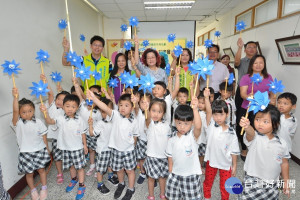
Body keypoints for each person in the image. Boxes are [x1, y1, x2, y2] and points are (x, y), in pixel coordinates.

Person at [86, 92, 139, 200]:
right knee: (119, 170)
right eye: (120, 105)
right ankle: (121, 183)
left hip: (129, 151)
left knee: (130, 171)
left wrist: (132, 145)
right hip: (116, 150)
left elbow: (135, 136)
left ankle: (131, 189)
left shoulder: (134, 120)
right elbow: (105, 107)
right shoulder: (115, 115)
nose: (123, 108)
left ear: (132, 107)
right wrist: (94, 99)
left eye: (126, 105)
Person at [40, 94, 88, 200]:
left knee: (79, 168)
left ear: (77, 107)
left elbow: (83, 133)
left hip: (77, 148)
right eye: (67, 106)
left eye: (73, 106)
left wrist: (85, 145)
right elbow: (49, 121)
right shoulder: (60, 118)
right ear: (63, 106)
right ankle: (74, 179)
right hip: (65, 148)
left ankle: (81, 185)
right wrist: (45, 112)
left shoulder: (80, 119)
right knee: (71, 166)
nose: (70, 109)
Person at [239, 105, 290, 199]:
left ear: (276, 124)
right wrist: (247, 126)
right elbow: (250, 133)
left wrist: (286, 181)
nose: (260, 124)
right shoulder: (255, 137)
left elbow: (284, 163)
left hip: (273, 182)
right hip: (252, 180)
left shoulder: (282, 143)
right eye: (257, 119)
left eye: (265, 121)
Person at [12, 88, 50, 200]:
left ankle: (44, 187)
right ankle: (33, 190)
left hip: (39, 150)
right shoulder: (17, 123)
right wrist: (15, 98)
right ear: (19, 113)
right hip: (26, 152)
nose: (27, 114)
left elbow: (44, 135)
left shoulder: (38, 121)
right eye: (23, 112)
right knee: (29, 174)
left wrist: (47, 148)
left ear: (34, 110)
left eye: (30, 111)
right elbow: (14, 111)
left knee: (41, 170)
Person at [237, 54, 274, 161]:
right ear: (251, 64)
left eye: (261, 63)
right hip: (248, 107)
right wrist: (249, 97)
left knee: (261, 129)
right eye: (255, 63)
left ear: (264, 64)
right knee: (243, 129)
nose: (258, 65)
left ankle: (258, 150)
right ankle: (244, 149)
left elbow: (272, 93)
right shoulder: (246, 77)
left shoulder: (268, 77)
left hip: (263, 109)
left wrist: (273, 99)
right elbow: (243, 94)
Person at [165, 96, 203, 200]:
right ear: (175, 121)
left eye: (186, 123)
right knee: (172, 197)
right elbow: (169, 155)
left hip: (191, 175)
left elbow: (199, 127)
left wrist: (195, 109)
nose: (182, 127)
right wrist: (170, 169)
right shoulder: (172, 137)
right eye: (179, 123)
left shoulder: (192, 136)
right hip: (175, 174)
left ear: (192, 123)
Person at [203, 98, 240, 200]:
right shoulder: (210, 125)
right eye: (215, 115)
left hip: (226, 163)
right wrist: (206, 98)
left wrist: (235, 165)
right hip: (212, 161)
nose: (218, 118)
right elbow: (208, 111)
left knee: (225, 186)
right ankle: (207, 197)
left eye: (221, 114)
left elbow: (234, 150)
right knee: (208, 182)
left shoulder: (231, 132)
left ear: (227, 114)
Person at [88, 97, 119, 195]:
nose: (104, 113)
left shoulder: (115, 121)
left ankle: (110, 176)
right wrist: (90, 125)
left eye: (107, 111)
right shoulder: (100, 123)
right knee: (100, 168)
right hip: (103, 149)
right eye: (103, 111)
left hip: (112, 148)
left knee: (110, 164)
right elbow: (92, 133)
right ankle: (100, 184)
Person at [142, 98, 171, 200]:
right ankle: (151, 195)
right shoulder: (150, 124)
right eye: (153, 110)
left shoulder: (166, 125)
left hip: (163, 157)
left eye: (159, 112)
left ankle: (163, 194)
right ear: (149, 111)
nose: (156, 114)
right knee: (151, 178)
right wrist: (146, 110)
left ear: (163, 113)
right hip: (152, 156)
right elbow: (147, 120)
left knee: (162, 178)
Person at [234, 40, 257, 125]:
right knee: (241, 113)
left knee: (253, 113)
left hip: (255, 90)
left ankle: (251, 134)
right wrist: (240, 47)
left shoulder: (259, 63)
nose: (252, 49)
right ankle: (239, 136)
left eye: (254, 47)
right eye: (249, 47)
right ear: (245, 50)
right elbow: (236, 62)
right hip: (241, 91)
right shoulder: (242, 61)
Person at [133, 93, 153, 185]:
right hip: (141, 140)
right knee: (142, 159)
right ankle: (143, 173)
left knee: (151, 159)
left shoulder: (152, 114)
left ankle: (151, 175)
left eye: (147, 102)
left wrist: (147, 109)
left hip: (151, 141)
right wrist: (136, 102)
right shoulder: (138, 113)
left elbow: (148, 119)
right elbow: (136, 107)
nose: (145, 104)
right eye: (142, 102)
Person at [196, 89, 212, 174]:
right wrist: (192, 89)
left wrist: (206, 98)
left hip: (202, 139)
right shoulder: (195, 111)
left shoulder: (207, 115)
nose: (200, 105)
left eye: (203, 103)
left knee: (201, 154)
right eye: (199, 102)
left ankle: (200, 165)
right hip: (194, 138)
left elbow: (209, 111)